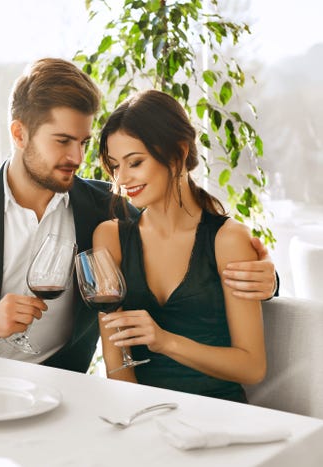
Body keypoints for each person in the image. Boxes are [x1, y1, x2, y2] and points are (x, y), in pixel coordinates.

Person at [0, 58, 277, 373]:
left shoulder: (106, 208)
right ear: (19, 134)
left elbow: (187, 238)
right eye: (63, 141)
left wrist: (267, 279)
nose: (77, 158)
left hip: (63, 391)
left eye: (82, 142)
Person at [94, 89, 265, 401]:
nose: (121, 179)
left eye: (135, 162)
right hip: (144, 415)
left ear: (178, 152)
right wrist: (138, 421)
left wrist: (165, 341)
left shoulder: (228, 240)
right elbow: (117, 366)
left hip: (220, 414)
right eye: (114, 166)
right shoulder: (110, 237)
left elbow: (252, 367)